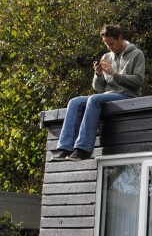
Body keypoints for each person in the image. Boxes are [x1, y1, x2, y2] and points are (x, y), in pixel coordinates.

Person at [51, 24, 145, 162]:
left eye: (111, 43)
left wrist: (114, 74)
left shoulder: (137, 54)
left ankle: (83, 150)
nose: (109, 48)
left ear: (120, 38)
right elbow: (98, 88)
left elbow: (138, 81)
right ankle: (65, 148)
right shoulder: (107, 56)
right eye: (106, 45)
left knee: (94, 100)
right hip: (108, 94)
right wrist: (98, 74)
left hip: (128, 95)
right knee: (74, 102)